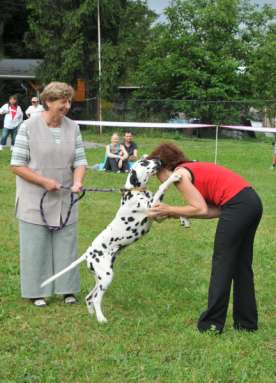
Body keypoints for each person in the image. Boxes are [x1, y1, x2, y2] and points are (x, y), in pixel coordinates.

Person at [147, 143, 262, 333]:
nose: (157, 178)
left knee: (222, 264)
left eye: (156, 173)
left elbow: (199, 208)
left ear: (164, 166)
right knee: (241, 265)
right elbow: (210, 210)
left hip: (239, 206)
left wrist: (169, 209)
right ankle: (246, 324)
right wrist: (173, 213)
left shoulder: (180, 175)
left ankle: (211, 324)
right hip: (251, 202)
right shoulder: (191, 168)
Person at [11, 82, 88, 307]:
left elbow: (80, 161)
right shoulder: (27, 127)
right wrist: (44, 181)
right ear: (48, 102)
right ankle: (37, 292)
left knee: (67, 243)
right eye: (62, 101)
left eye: (69, 101)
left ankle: (68, 290)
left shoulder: (73, 127)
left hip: (65, 196)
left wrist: (78, 181)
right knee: (35, 245)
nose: (67, 106)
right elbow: (16, 165)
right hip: (34, 196)